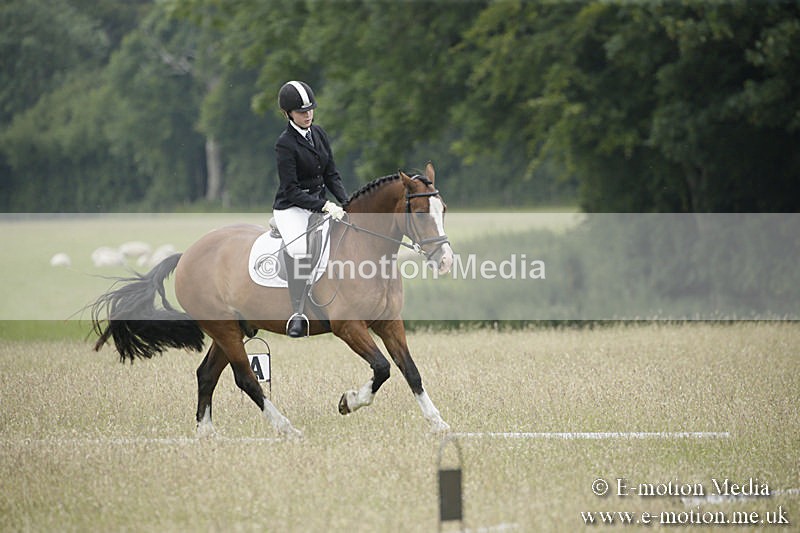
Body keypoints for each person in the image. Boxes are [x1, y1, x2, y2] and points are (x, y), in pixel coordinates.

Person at [273, 80, 348, 337]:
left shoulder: (319, 134)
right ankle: (297, 312)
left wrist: (348, 203)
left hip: (319, 205)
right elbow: (291, 190)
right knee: (298, 248)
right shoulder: (285, 143)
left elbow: (332, 174)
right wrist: (325, 205)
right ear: (288, 114)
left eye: (310, 110)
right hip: (292, 208)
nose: (307, 115)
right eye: (301, 112)